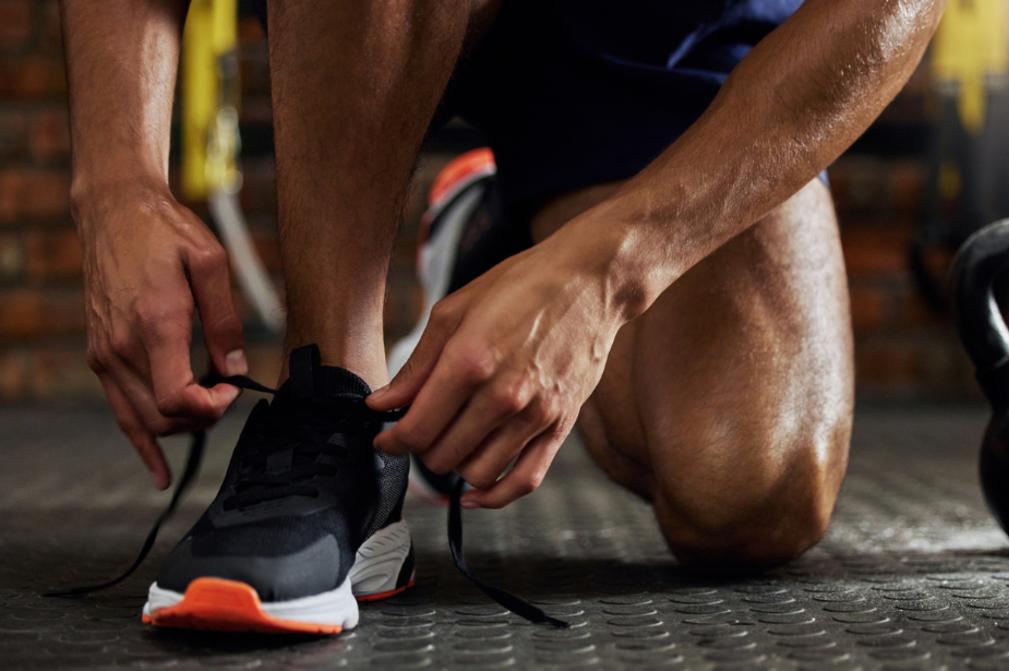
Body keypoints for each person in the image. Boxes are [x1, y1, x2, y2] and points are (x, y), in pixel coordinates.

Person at [60, 0, 943, 633]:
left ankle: (502, 237)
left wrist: (605, 275)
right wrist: (116, 180)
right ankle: (336, 406)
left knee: (748, 491)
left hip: (659, 27)